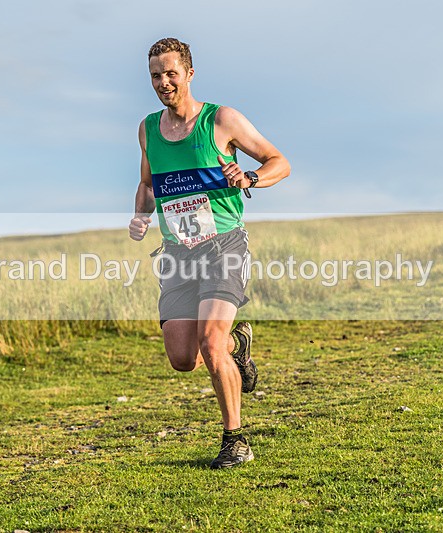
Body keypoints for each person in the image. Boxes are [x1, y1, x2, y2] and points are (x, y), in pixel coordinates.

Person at [128, 37, 290, 469]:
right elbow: (147, 184)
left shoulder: (221, 120)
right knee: (183, 358)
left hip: (223, 246)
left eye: (171, 73)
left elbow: (279, 161)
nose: (163, 82)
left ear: (189, 73)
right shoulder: (147, 128)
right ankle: (239, 347)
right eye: (155, 76)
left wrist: (251, 177)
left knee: (209, 341)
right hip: (178, 253)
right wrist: (141, 215)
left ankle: (235, 439)